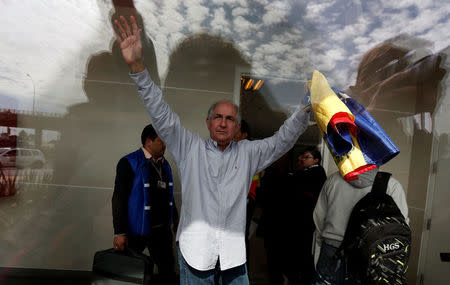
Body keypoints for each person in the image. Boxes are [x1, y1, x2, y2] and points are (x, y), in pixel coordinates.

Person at [113, 15, 310, 285]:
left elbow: (283, 140)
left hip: (233, 258)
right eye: (218, 117)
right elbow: (161, 114)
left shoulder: (248, 153)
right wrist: (137, 66)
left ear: (237, 126)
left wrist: (303, 110)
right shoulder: (189, 147)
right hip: (195, 254)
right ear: (208, 122)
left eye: (230, 119)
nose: (223, 123)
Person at [311, 168, 409, 285]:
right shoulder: (391, 185)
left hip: (332, 250)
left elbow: (319, 218)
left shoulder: (333, 179)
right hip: (369, 255)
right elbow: (401, 227)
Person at [112, 124, 178, 285]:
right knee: (129, 274)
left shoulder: (164, 164)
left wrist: (175, 218)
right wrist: (119, 232)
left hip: (161, 231)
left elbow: (168, 194)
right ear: (148, 142)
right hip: (136, 231)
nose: (165, 145)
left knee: (167, 272)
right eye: (161, 141)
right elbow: (119, 198)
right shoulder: (129, 162)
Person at [292, 146, 327, 284]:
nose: (302, 159)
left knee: (303, 249)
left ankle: (305, 278)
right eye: (302, 157)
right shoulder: (307, 172)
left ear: (316, 160)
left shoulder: (317, 172)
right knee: (301, 249)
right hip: (303, 216)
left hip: (306, 216)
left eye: (307, 157)